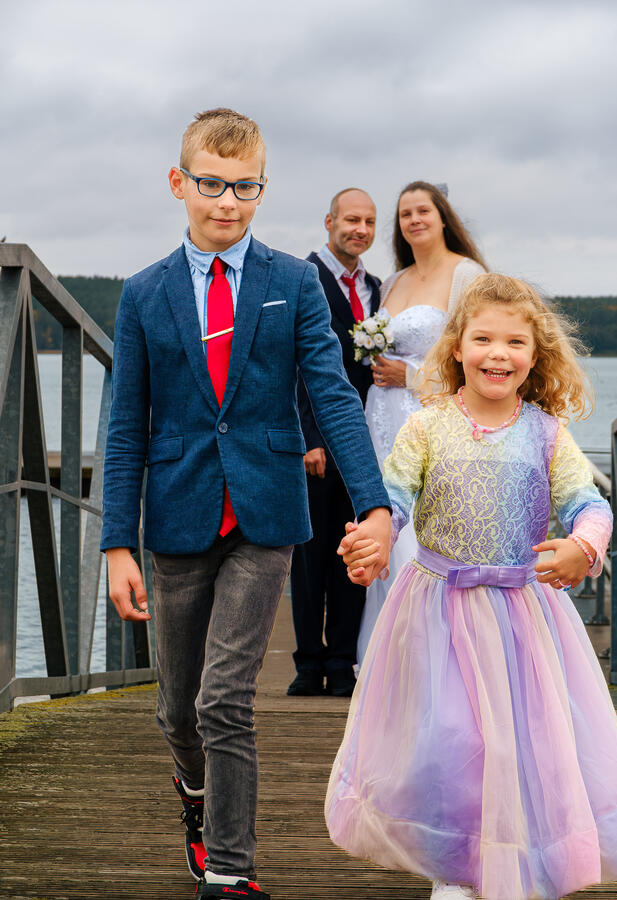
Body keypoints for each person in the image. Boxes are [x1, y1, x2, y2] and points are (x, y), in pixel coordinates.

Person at [101, 108, 391, 900]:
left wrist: (373, 505)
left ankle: (229, 871)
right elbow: (125, 424)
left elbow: (331, 396)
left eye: (245, 187)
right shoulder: (142, 294)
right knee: (178, 712)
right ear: (179, 183)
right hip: (176, 514)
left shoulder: (292, 283)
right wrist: (115, 542)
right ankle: (192, 795)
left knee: (225, 698)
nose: (227, 201)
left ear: (262, 189)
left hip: (264, 513)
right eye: (211, 184)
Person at [330, 273, 617, 900]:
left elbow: (588, 505)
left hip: (522, 618)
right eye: (483, 338)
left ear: (534, 356)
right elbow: (393, 498)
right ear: (457, 348)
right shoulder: (427, 427)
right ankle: (452, 872)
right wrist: (375, 539)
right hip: (438, 612)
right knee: (451, 741)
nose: (498, 353)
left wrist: (583, 545)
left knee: (518, 747)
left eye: (515, 342)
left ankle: (513, 868)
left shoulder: (546, 433)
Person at [357, 181, 486, 664]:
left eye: (423, 211)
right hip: (381, 418)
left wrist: (410, 375)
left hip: (432, 418)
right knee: (383, 522)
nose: (413, 220)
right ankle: (387, 659)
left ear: (442, 217)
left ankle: (435, 655)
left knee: (426, 532)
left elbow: (475, 350)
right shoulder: (392, 282)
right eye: (405, 213)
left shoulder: (466, 275)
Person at [288, 188, 382, 698]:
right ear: (329, 222)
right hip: (317, 443)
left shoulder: (377, 288)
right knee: (310, 556)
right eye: (351, 219)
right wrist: (310, 437)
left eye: (368, 221)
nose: (360, 229)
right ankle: (308, 663)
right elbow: (296, 367)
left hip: (365, 442)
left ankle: (343, 661)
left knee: (357, 554)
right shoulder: (305, 278)